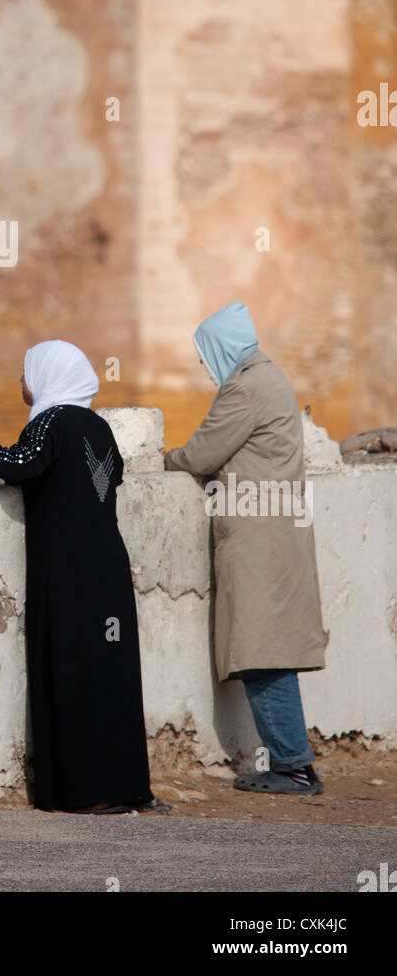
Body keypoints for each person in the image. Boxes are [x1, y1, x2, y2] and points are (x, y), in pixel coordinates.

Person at [0, 340, 154, 814]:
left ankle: (82, 791)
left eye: (25, 374)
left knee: (72, 670)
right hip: (107, 567)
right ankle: (122, 786)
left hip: (68, 569)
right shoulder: (98, 426)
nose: (22, 383)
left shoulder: (52, 422)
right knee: (110, 676)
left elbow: (19, 466)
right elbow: (98, 481)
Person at [164, 302, 327, 796]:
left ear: (221, 346)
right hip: (276, 533)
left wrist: (161, 457)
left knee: (262, 651)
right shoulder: (270, 378)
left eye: (203, 351)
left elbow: (201, 454)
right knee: (270, 646)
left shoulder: (245, 386)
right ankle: (294, 761)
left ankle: (293, 765)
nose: (200, 363)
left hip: (259, 539)